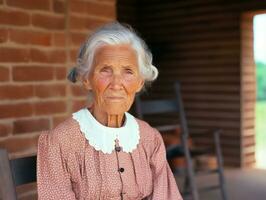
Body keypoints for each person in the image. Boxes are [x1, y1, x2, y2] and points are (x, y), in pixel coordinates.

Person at [37, 22, 183, 200]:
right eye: (105, 70)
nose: (116, 84)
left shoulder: (150, 139)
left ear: (139, 83)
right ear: (86, 79)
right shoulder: (59, 142)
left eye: (128, 71)